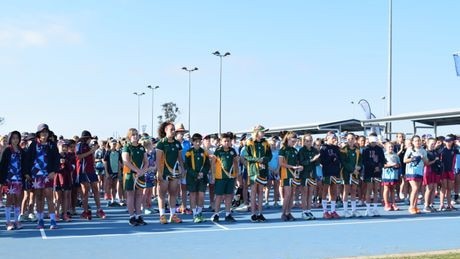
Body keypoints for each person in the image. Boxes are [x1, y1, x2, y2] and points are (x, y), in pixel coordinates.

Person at [25, 124, 60, 229]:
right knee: (39, 197)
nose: (44, 133)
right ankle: (40, 220)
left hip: (47, 175)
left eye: (46, 131)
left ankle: (53, 220)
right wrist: (27, 173)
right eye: (42, 132)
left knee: (49, 196)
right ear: (38, 134)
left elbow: (56, 159)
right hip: (36, 175)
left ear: (48, 133)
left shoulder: (52, 145)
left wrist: (54, 171)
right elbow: (27, 159)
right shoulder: (33, 145)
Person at [156, 122, 185, 224]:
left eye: (174, 130)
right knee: (162, 194)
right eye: (171, 129)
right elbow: (158, 160)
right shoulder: (161, 143)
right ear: (165, 130)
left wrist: (182, 169)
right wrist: (159, 173)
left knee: (173, 193)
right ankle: (162, 215)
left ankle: (172, 215)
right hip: (164, 172)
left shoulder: (177, 143)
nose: (173, 131)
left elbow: (180, 158)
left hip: (175, 172)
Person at [76, 130, 106, 220]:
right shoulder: (79, 145)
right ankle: (86, 211)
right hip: (83, 171)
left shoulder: (89, 146)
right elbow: (78, 156)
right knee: (85, 192)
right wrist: (91, 151)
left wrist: (92, 151)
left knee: (95, 189)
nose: (90, 140)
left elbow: (91, 158)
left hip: (91, 170)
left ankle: (99, 210)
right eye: (89, 138)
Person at [244, 125, 272, 222]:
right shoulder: (249, 142)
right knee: (253, 192)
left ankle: (260, 213)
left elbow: (269, 155)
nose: (264, 133)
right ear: (256, 132)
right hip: (253, 170)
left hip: (263, 169)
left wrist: (264, 160)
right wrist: (257, 160)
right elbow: (246, 156)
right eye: (262, 131)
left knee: (261, 191)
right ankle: (253, 214)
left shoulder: (265, 142)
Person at [122, 128, 149, 226]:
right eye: (133, 134)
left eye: (136, 134)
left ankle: (138, 215)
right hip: (130, 174)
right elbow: (126, 161)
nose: (135, 136)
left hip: (140, 174)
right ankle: (131, 217)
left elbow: (146, 161)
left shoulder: (141, 147)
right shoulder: (126, 147)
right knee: (130, 195)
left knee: (139, 195)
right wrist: (137, 170)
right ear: (129, 136)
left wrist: (143, 171)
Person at [0, 131, 26, 230]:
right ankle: (8, 222)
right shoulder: (6, 150)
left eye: (17, 138)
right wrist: (2, 180)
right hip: (8, 179)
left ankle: (16, 221)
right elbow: (2, 165)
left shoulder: (21, 151)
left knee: (17, 200)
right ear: (10, 139)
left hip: (19, 179)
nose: (15, 140)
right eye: (13, 138)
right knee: (9, 200)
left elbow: (24, 165)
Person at [210, 132, 239, 222]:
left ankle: (228, 214)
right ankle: (216, 214)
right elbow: (213, 163)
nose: (227, 143)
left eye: (228, 141)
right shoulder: (218, 151)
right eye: (225, 141)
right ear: (221, 142)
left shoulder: (232, 151)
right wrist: (213, 175)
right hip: (220, 177)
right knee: (218, 196)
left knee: (229, 196)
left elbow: (235, 162)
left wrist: (236, 174)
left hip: (230, 177)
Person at [184, 133, 210, 223]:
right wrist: (195, 174)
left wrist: (203, 173)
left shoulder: (204, 152)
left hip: (202, 178)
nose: (198, 143)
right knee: (193, 195)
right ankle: (194, 214)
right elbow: (186, 166)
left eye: (199, 141)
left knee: (201, 196)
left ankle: (199, 213)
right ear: (192, 142)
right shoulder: (189, 153)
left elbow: (207, 165)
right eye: (196, 142)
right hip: (192, 178)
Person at [279, 132, 303, 221]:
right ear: (288, 139)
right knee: (287, 194)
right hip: (286, 174)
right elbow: (281, 163)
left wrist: (299, 167)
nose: (294, 143)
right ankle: (283, 213)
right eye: (293, 141)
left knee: (292, 194)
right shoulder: (283, 149)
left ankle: (288, 213)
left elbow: (297, 162)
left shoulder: (295, 150)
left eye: (295, 141)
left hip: (294, 175)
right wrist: (293, 167)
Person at [362, 133, 385, 217]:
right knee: (369, 189)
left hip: (377, 172)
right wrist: (373, 166)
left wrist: (379, 167)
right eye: (372, 142)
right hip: (369, 172)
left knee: (376, 190)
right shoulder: (366, 149)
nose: (373, 143)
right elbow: (364, 161)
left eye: (374, 142)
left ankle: (375, 208)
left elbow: (383, 160)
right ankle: (368, 209)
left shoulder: (379, 149)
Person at [319, 132, 342, 219]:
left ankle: (333, 210)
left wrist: (336, 160)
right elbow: (322, 160)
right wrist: (331, 159)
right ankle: (325, 211)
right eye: (333, 138)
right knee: (325, 191)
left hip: (335, 172)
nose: (334, 140)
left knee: (334, 191)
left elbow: (339, 159)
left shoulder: (337, 148)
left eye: (335, 138)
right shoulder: (324, 148)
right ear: (328, 138)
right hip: (327, 172)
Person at [403, 135, 428, 214]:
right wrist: (413, 158)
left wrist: (423, 157)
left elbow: (426, 162)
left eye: (419, 140)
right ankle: (411, 206)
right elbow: (404, 160)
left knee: (417, 189)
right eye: (416, 141)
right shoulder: (410, 150)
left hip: (419, 171)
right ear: (413, 142)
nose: (418, 142)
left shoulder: (423, 151)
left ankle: (415, 206)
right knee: (415, 188)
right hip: (411, 171)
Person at [339, 132, 362, 217]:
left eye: (352, 139)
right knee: (346, 190)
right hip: (346, 173)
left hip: (355, 174)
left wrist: (359, 167)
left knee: (353, 191)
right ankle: (345, 210)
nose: (350, 140)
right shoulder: (343, 150)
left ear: (355, 140)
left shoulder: (357, 150)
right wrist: (352, 169)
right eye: (348, 139)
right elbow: (344, 162)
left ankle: (354, 210)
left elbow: (360, 161)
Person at [298, 133, 320, 220]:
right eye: (307, 141)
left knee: (310, 193)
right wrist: (312, 160)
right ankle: (304, 212)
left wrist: (317, 159)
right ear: (304, 142)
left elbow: (317, 163)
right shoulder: (301, 151)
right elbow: (302, 162)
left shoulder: (315, 150)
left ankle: (309, 210)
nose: (309, 142)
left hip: (312, 174)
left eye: (310, 141)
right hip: (304, 174)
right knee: (304, 193)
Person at [439, 134, 459, 211]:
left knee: (449, 188)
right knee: (443, 188)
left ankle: (449, 204)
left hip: (451, 171)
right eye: (446, 141)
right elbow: (434, 152)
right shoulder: (442, 150)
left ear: (452, 142)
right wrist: (437, 146)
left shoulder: (455, 150)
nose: (448, 143)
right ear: (444, 142)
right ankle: (441, 204)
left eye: (450, 141)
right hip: (443, 171)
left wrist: (458, 144)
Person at [54, 140, 73, 222]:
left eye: (65, 147)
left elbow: (71, 168)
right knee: (58, 198)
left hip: (66, 179)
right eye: (62, 147)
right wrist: (59, 164)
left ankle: (64, 214)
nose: (64, 148)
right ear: (58, 147)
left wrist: (66, 162)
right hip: (57, 179)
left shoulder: (68, 156)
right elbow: (54, 169)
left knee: (65, 197)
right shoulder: (55, 156)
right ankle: (56, 214)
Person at [175, 123, 191, 215]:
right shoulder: (173, 143)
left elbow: (188, 156)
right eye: (179, 132)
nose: (181, 133)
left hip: (185, 167)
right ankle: (172, 206)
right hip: (174, 168)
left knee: (184, 188)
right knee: (173, 188)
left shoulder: (187, 143)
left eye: (182, 132)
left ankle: (184, 206)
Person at [423, 137, 442, 212]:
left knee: (434, 188)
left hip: (435, 171)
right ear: (427, 144)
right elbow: (426, 163)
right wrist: (434, 161)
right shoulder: (425, 152)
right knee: (429, 188)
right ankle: (426, 205)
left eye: (434, 144)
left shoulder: (435, 152)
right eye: (431, 144)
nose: (433, 145)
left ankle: (431, 204)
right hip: (428, 171)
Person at [382, 141, 401, 211]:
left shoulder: (395, 155)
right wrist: (390, 165)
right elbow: (382, 165)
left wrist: (397, 165)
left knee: (393, 189)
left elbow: (399, 164)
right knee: (386, 188)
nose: (391, 148)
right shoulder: (384, 155)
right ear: (386, 147)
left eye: (392, 147)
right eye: (389, 147)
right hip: (386, 174)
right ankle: (386, 203)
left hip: (394, 174)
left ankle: (393, 203)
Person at [103, 139, 122, 207]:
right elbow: (105, 162)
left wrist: (119, 172)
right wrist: (107, 172)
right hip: (109, 171)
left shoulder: (118, 153)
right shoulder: (107, 152)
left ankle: (113, 200)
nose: (114, 144)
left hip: (116, 171)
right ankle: (109, 199)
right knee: (109, 186)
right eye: (112, 143)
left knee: (114, 186)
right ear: (110, 144)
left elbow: (119, 163)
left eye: (115, 143)